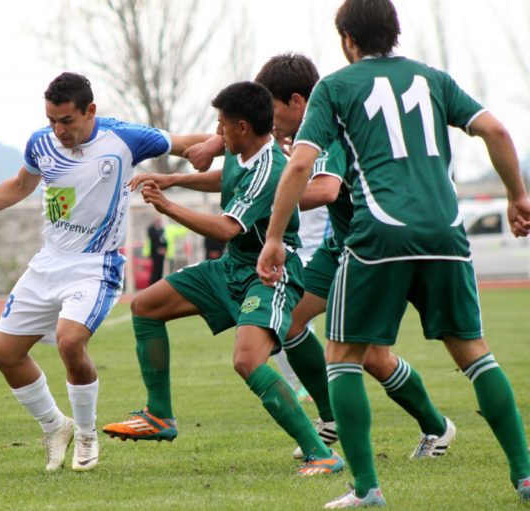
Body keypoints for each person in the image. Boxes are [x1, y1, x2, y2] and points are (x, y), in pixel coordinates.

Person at [257, 1, 530, 507]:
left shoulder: (335, 88)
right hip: (448, 233)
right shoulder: (434, 79)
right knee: (474, 353)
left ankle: (366, 490)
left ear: (346, 39)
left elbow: (299, 168)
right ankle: (525, 475)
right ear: (394, 32)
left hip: (380, 233)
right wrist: (517, 195)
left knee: (342, 356)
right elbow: (495, 130)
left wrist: (274, 237)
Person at [0, 72, 209, 472]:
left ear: (90, 111)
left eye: (66, 121)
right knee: (4, 354)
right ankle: (54, 426)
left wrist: (231, 141)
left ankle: (86, 435)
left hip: (96, 265)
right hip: (48, 262)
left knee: (69, 341)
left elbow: (184, 142)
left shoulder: (124, 138)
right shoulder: (40, 143)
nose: (58, 130)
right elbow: (20, 184)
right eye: (51, 120)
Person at [102, 81, 344, 476]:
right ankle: (159, 416)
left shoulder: (272, 168)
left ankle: (322, 453)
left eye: (222, 124)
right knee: (146, 306)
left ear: (243, 127)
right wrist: (174, 179)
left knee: (248, 361)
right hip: (231, 267)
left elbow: (226, 229)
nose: (218, 131)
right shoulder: (242, 152)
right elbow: (224, 178)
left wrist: (167, 205)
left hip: (268, 274)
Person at [258, 52, 454, 462]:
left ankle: (436, 427)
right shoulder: (312, 133)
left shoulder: (330, 127)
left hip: (370, 248)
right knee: (291, 321)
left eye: (271, 109)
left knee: (370, 356)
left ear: (297, 102)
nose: (269, 120)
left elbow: (327, 190)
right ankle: (330, 415)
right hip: (341, 246)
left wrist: (266, 204)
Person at [145, 215, 167, 284]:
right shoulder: (151, 229)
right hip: (154, 252)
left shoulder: (162, 230)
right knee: (154, 270)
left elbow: (164, 240)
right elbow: (154, 239)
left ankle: (159, 283)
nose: (158, 222)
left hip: (161, 254)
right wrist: (158, 249)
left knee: (160, 269)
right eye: (157, 221)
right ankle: (153, 284)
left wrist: (164, 248)